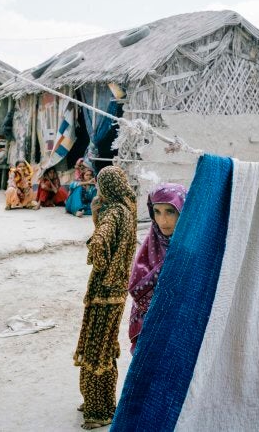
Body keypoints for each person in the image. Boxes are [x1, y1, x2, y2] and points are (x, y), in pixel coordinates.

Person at [73, 166, 137, 430]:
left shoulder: (112, 212)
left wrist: (97, 258)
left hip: (103, 292)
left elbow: (99, 244)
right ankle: (97, 400)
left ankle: (99, 410)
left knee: (97, 348)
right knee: (104, 346)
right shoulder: (126, 210)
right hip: (117, 291)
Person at [128, 182, 187, 354]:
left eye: (170, 211)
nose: (162, 220)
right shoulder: (150, 245)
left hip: (180, 332)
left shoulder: (193, 250)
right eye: (157, 212)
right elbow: (136, 288)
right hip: (148, 329)